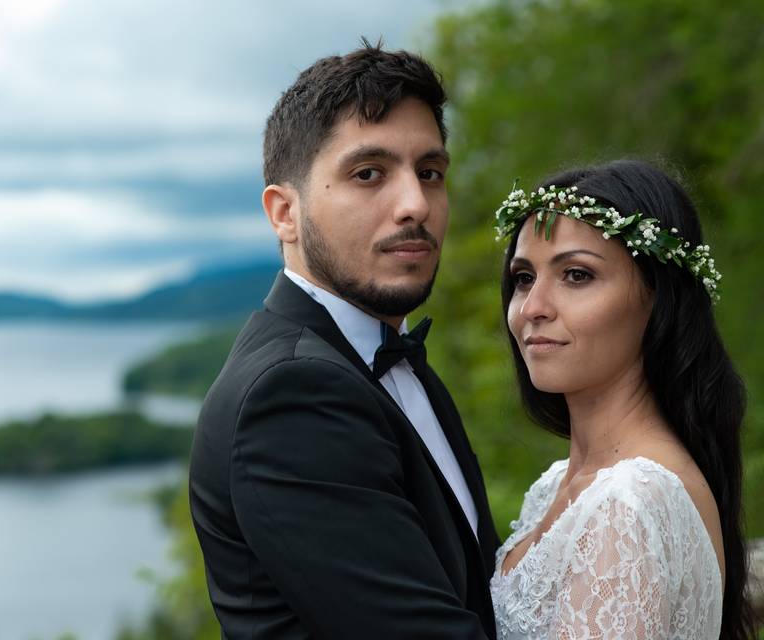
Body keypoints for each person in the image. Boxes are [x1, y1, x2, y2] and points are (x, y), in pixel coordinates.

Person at [189, 42, 499, 639]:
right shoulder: (292, 394)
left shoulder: (388, 360)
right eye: (368, 174)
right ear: (284, 213)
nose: (416, 205)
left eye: (430, 173)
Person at [490, 159, 754, 639]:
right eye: (524, 278)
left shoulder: (627, 501)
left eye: (576, 275)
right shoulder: (555, 488)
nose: (532, 308)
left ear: (658, 297)